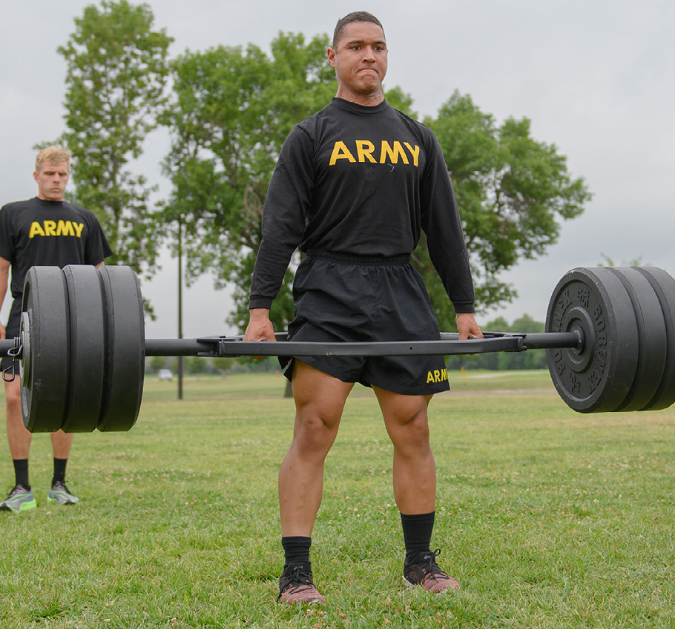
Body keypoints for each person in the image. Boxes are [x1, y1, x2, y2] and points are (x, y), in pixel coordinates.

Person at [244, 11, 483, 604]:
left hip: (401, 290)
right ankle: (296, 572)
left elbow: (444, 229)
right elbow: (280, 228)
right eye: (356, 46)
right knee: (314, 426)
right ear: (333, 57)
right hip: (329, 287)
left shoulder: (417, 136)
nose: (368, 56)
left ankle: (420, 563)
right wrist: (259, 308)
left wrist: (464, 306)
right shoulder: (312, 134)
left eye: (378, 46)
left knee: (414, 427)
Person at [0, 146, 113, 513]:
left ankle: (59, 484)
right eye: (50, 174)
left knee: (64, 401)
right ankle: (21, 488)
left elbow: (99, 277)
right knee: (16, 397)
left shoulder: (84, 218)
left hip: (71, 320)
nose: (57, 180)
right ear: (36, 176)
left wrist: (99, 326)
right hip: (24, 316)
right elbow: (1, 269)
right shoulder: (13, 214)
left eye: (62, 174)